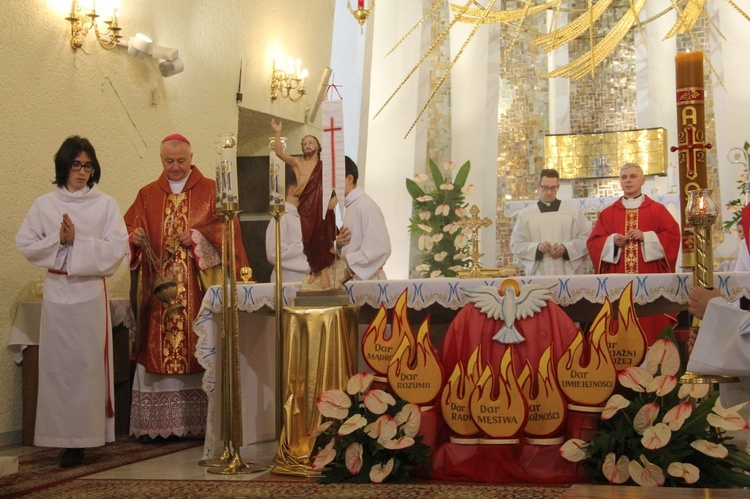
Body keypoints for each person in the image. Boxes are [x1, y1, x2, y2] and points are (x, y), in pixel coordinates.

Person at [124, 133, 249, 442]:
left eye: (181, 161)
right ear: (161, 160)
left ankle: (201, 425)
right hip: (160, 293)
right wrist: (134, 238)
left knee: (199, 343)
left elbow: (228, 230)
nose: (175, 167)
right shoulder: (146, 194)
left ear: (192, 158)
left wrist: (196, 237)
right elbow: (127, 227)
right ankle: (159, 427)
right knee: (159, 347)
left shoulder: (211, 191)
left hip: (198, 289)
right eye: (169, 161)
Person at [15, 136, 128, 467]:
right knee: (57, 368)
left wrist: (78, 241)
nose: (82, 171)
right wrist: (58, 240)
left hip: (89, 293)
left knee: (86, 367)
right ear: (63, 165)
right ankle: (59, 438)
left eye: (88, 165)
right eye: (77, 164)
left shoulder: (105, 204)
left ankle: (85, 438)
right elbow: (25, 243)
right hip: (57, 292)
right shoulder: (44, 205)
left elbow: (116, 248)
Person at [586, 163, 680, 344]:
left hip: (649, 279)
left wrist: (646, 237)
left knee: (650, 325)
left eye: (633, 176)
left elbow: (673, 237)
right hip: (618, 279)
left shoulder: (657, 210)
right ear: (619, 182)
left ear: (643, 180)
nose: (628, 180)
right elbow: (593, 243)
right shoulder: (608, 213)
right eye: (624, 177)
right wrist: (612, 240)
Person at [271, 119, 337, 288]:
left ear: (317, 147)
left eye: (310, 142)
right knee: (308, 240)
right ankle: (314, 271)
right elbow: (279, 152)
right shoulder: (298, 163)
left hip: (321, 207)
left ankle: (323, 274)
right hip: (306, 208)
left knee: (323, 239)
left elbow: (335, 183)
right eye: (304, 143)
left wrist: (335, 198)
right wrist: (278, 132)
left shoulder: (324, 166)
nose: (307, 145)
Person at [510, 169, 591, 276]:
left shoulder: (573, 212)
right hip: (539, 274)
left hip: (567, 274)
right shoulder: (526, 215)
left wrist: (566, 248)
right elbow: (516, 244)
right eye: (545, 187)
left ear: (558, 187)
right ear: (539, 187)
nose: (549, 192)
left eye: (553, 188)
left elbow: (587, 238)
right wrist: (537, 248)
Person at [335, 156, 391, 280]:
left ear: (349, 178)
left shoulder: (365, 205)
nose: (331, 186)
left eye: (334, 180)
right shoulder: (352, 206)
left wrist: (348, 261)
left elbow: (380, 248)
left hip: (368, 281)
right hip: (355, 279)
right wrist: (338, 244)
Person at [265, 170, 309, 282]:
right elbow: (274, 253)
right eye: (305, 188)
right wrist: (309, 246)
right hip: (287, 282)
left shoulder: (302, 217)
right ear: (292, 191)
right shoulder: (280, 217)